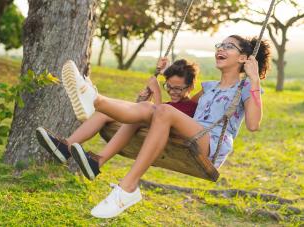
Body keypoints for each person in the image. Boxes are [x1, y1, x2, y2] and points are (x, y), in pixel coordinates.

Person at [62, 35, 271, 218]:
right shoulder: (208, 87)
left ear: (243, 58)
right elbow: (181, 106)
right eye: (220, 45)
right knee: (147, 107)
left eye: (229, 46)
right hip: (192, 133)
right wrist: (161, 76)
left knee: (163, 111)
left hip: (212, 144)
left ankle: (128, 187)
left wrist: (254, 80)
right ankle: (96, 102)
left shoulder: (246, 87)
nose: (221, 49)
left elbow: (253, 124)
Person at [36, 59, 199, 180]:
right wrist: (143, 100)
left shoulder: (189, 107)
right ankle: (68, 148)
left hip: (166, 142)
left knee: (123, 111)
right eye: (168, 87)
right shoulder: (171, 103)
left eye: (178, 88)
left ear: (190, 87)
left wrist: (156, 92)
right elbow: (150, 113)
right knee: (104, 113)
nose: (172, 92)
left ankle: (93, 99)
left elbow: (159, 119)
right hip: (145, 129)